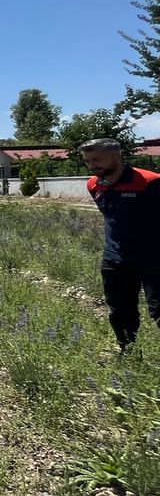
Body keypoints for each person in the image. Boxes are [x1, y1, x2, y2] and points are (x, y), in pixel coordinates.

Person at [82, 138, 160, 353]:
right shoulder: (94, 184)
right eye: (88, 161)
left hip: (154, 259)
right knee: (120, 312)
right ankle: (129, 352)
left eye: (97, 159)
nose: (92, 165)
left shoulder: (150, 181)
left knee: (158, 311)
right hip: (115, 258)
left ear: (117, 156)